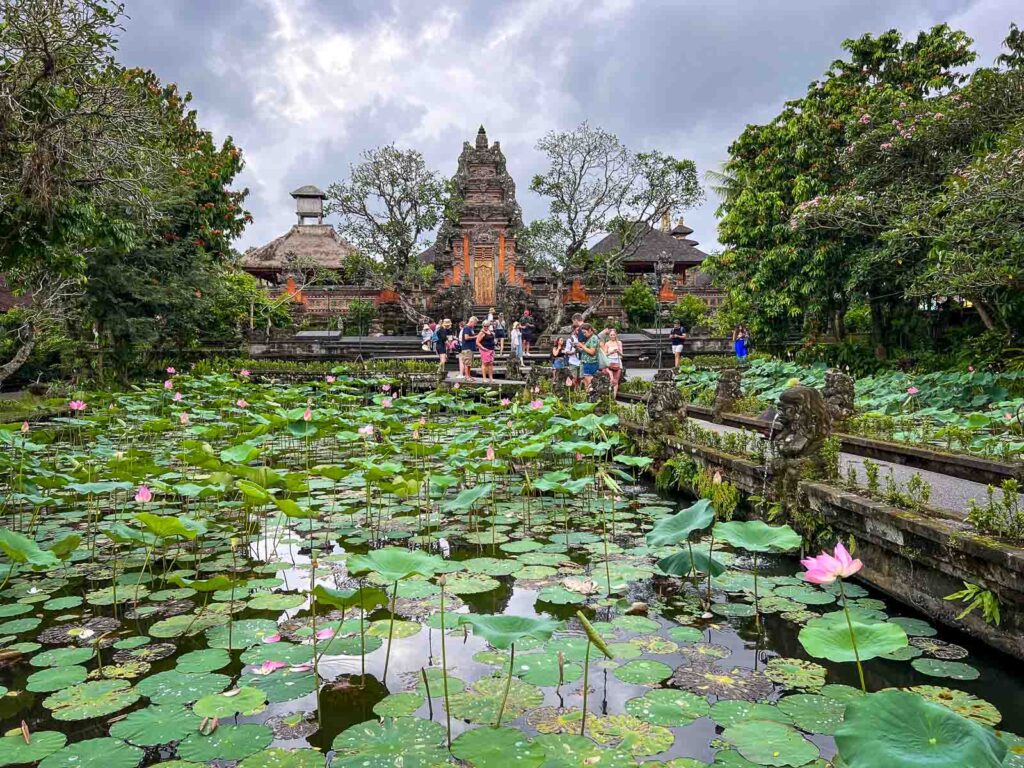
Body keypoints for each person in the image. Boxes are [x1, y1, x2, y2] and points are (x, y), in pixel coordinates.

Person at [574, 323, 601, 390]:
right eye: (582, 333)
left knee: (589, 381)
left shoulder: (594, 338)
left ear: (589, 330)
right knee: (586, 382)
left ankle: (592, 395)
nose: (584, 334)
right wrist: (578, 347)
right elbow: (586, 351)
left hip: (591, 363)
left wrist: (582, 346)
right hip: (587, 362)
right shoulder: (589, 338)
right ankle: (588, 396)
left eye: (584, 332)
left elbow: (592, 352)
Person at [601, 328, 624, 396]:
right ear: (609, 336)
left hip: (617, 362)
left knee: (616, 381)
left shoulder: (619, 343)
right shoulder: (607, 343)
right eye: (611, 335)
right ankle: (608, 396)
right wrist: (611, 352)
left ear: (616, 335)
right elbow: (605, 355)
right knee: (610, 379)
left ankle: (614, 397)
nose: (612, 336)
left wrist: (618, 352)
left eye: (614, 335)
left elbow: (622, 355)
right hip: (609, 362)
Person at [460, 316, 478, 381]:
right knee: (467, 363)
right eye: (475, 323)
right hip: (467, 348)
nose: (475, 325)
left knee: (469, 363)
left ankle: (469, 375)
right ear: (471, 321)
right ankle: (467, 376)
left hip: (470, 348)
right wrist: (475, 336)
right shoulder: (467, 328)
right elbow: (466, 337)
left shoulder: (470, 328)